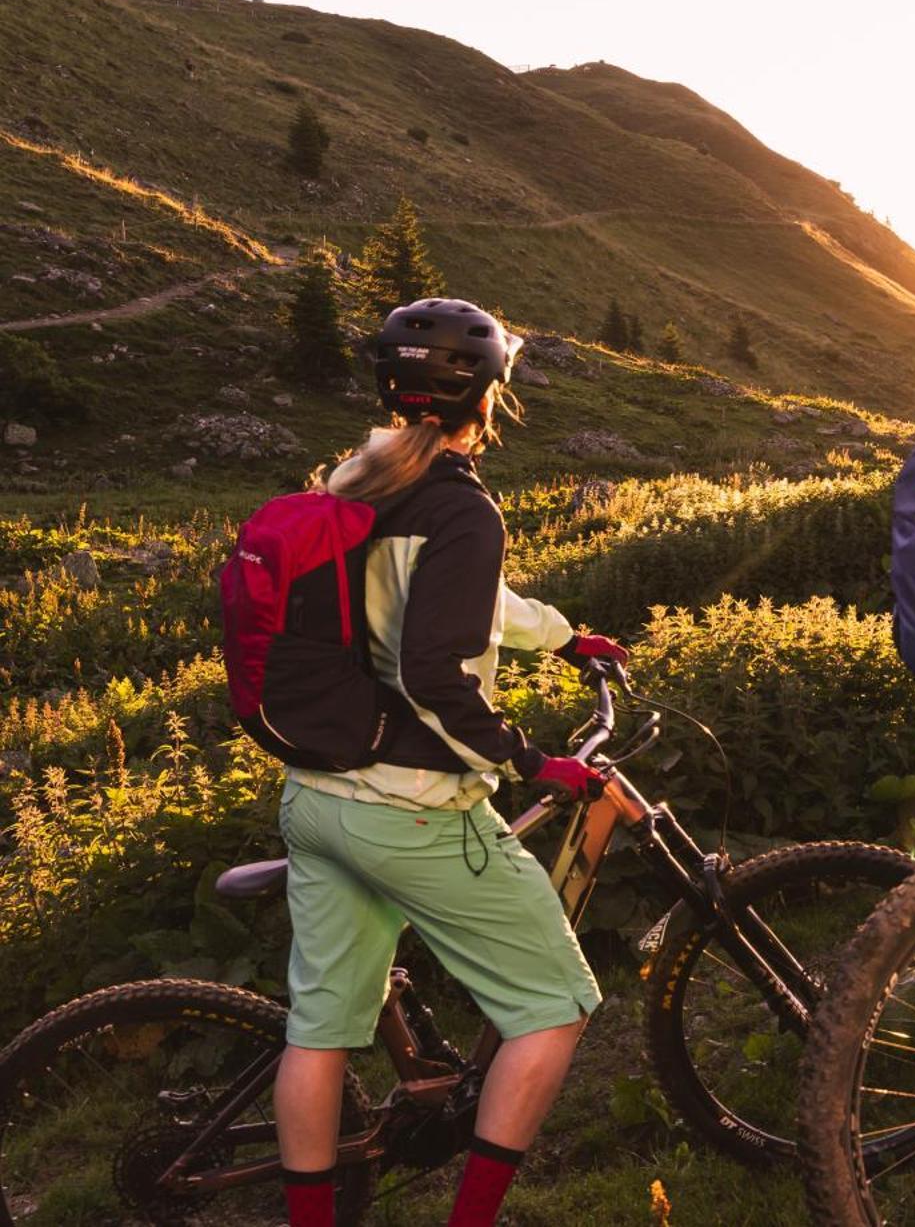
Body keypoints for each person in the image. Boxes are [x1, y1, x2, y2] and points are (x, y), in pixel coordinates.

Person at [273, 298, 629, 1227]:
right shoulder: (461, 504)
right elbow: (434, 662)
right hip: (413, 805)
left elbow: (462, 600)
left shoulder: (357, 479)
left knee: (320, 1034)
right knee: (555, 1006)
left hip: (317, 790)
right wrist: (528, 760)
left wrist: (561, 637)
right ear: (488, 397)